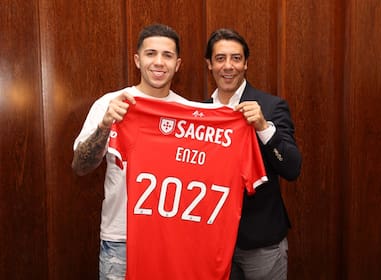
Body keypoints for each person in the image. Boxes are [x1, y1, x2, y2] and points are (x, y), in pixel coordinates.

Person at [71, 23, 187, 280]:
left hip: (173, 240)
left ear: (177, 64)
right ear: (137, 60)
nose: (158, 62)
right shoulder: (110, 104)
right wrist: (105, 125)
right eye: (150, 53)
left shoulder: (189, 114)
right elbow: (80, 166)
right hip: (121, 240)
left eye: (167, 55)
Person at [204, 28, 302, 280]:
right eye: (220, 58)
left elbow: (292, 168)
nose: (228, 66)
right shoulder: (199, 114)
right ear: (209, 64)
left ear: (246, 64)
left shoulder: (270, 106)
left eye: (236, 58)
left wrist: (264, 128)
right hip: (213, 242)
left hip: (262, 242)